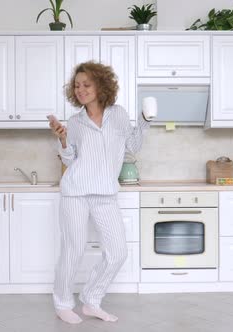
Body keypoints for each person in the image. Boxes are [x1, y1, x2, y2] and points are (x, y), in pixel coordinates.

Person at [48, 61, 151, 324]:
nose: (80, 89)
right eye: (77, 85)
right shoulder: (75, 121)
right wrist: (62, 139)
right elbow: (70, 160)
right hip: (75, 192)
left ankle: (91, 300)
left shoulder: (118, 114)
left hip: (105, 193)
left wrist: (145, 119)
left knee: (118, 251)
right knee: (73, 248)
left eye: (87, 84)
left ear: (101, 85)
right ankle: (62, 303)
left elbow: (134, 145)